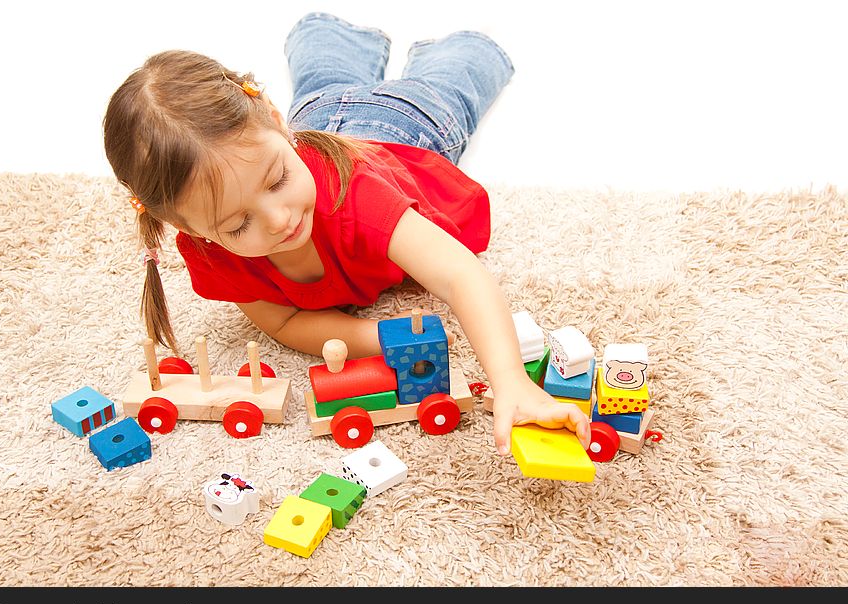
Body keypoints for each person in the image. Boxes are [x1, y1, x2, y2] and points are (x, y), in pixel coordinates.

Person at [103, 12, 591, 456]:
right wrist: (376, 336)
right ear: (189, 230)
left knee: (448, 84)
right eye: (238, 224)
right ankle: (326, 38)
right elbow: (282, 322)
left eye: (277, 181)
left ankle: (454, 44)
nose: (277, 218)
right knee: (326, 81)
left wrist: (508, 379)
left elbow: (460, 275)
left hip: (401, 125)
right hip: (316, 123)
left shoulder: (358, 197)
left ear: (278, 123)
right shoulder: (211, 251)